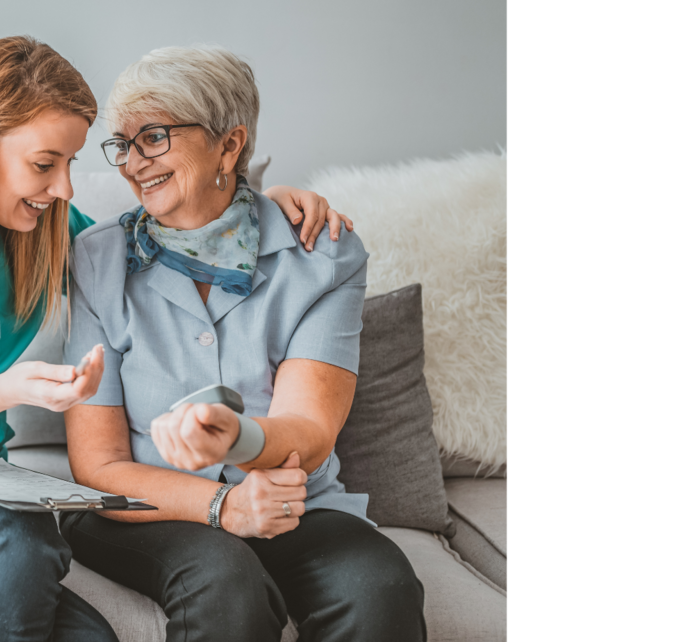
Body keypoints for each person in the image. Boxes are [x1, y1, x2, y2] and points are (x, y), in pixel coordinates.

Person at [0, 36, 351, 641]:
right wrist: (7, 390)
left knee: (34, 547)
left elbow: (155, 242)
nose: (64, 189)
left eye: (71, 164)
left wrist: (260, 210)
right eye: (45, 163)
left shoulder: (38, 226)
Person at [61, 45, 426, 642]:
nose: (131, 163)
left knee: (378, 587)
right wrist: (222, 506)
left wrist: (239, 439)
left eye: (153, 137)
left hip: (290, 500)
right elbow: (98, 465)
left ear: (229, 145)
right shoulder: (97, 258)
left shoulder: (322, 255)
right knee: (226, 584)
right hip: (145, 508)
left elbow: (308, 431)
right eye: (122, 144)